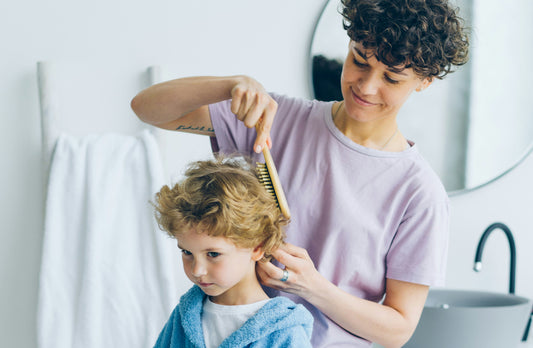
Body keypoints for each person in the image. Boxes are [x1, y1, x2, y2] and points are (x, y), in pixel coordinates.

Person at [131, 0, 469, 346]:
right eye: (359, 61)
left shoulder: (419, 193)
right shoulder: (275, 121)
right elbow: (147, 109)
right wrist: (230, 84)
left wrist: (313, 287)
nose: (366, 86)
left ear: (425, 81)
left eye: (392, 78)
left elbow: (398, 329)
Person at [152, 158, 313, 348]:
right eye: (187, 252)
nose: (197, 270)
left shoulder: (283, 331)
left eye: (213, 254)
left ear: (257, 247)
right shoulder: (183, 317)